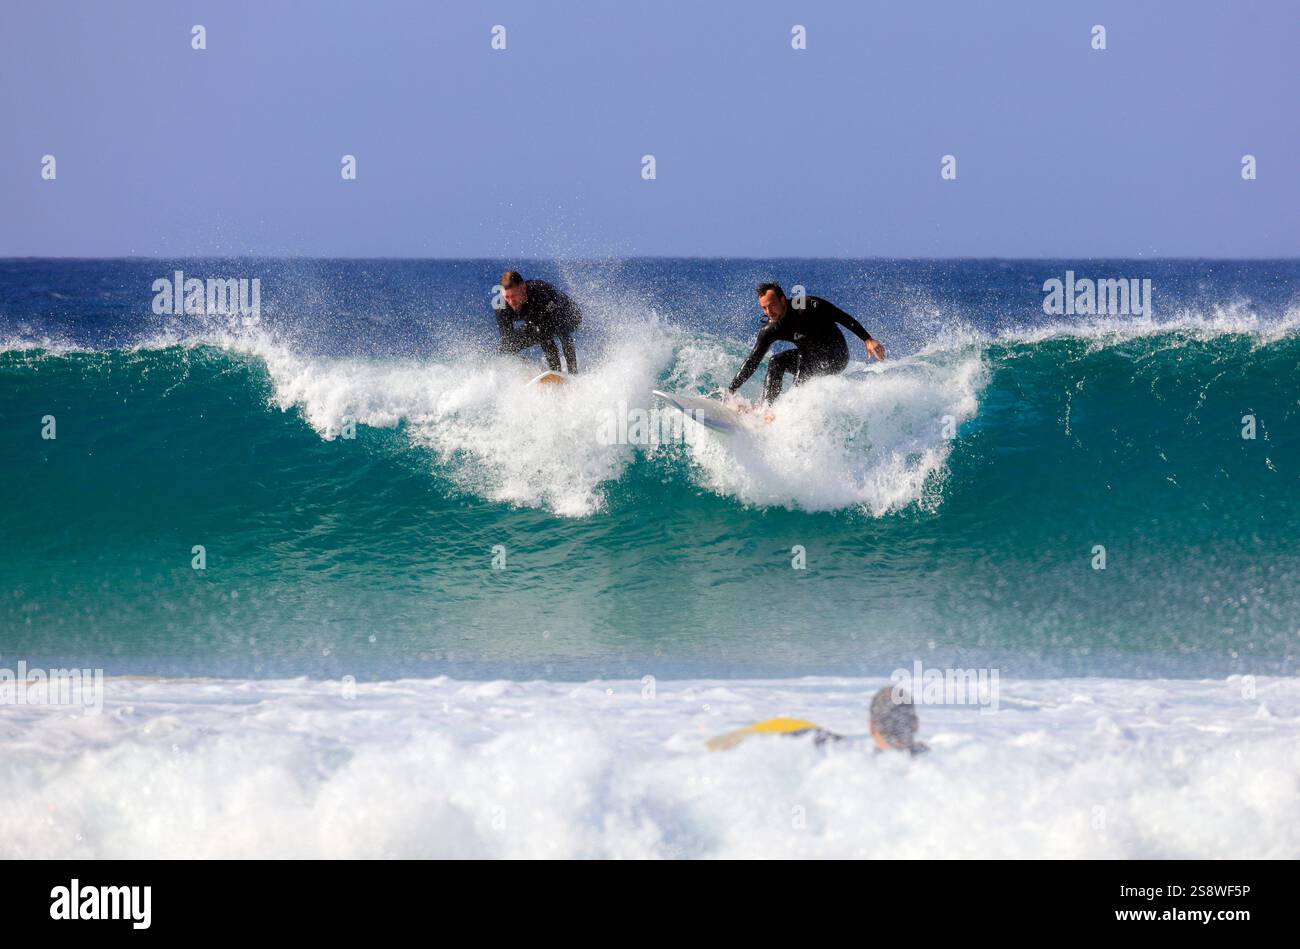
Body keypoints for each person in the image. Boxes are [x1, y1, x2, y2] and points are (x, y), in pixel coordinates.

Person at [727, 283, 884, 404]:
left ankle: (793, 407)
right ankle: (767, 409)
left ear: (782, 300)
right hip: (809, 358)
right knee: (776, 361)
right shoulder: (771, 329)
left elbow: (841, 316)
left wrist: (867, 339)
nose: (768, 312)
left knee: (804, 359)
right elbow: (752, 360)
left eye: (772, 305)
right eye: (764, 308)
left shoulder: (807, 306)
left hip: (836, 357)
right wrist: (731, 390)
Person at [706, 686, 928, 755]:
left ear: (871, 727)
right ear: (915, 724)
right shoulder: (939, 764)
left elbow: (791, 729)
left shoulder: (848, 759)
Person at [494, 270, 582, 373]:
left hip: (570, 315)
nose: (511, 302)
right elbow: (507, 340)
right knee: (505, 346)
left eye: (513, 296)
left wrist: (572, 373)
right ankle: (533, 369)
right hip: (538, 321)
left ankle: (557, 371)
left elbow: (564, 337)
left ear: (523, 288)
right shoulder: (502, 307)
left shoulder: (540, 295)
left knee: (542, 331)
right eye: (507, 297)